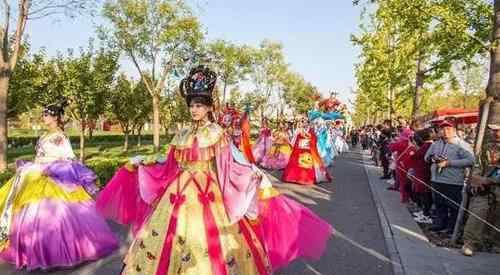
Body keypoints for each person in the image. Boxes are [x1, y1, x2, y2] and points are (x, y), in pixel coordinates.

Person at [97, 66, 332, 275]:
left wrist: (253, 174)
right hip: (177, 193)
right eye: (191, 105)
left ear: (209, 107)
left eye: (199, 105)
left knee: (211, 245)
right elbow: (168, 163)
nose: (194, 110)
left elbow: (230, 164)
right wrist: (144, 161)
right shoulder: (182, 134)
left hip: (208, 194)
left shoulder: (217, 134)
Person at [0, 103, 119, 271]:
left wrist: (53, 168)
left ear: (55, 117)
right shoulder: (45, 135)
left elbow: (69, 157)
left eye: (47, 115)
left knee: (53, 214)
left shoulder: (60, 136)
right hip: (35, 173)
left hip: (52, 175)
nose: (44, 117)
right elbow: (39, 155)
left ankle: (52, 252)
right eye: (43, 115)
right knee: (28, 212)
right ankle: (30, 250)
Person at [425, 120, 474, 234]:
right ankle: (440, 224)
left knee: (453, 206)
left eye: (448, 129)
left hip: (453, 181)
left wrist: (449, 163)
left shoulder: (462, 145)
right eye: (443, 129)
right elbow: (426, 157)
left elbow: (471, 161)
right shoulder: (436, 144)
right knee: (439, 203)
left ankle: (452, 228)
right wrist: (433, 158)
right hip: (436, 179)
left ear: (454, 131)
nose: (445, 132)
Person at [462, 124, 500, 256]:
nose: (495, 133)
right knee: (478, 212)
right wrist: (477, 178)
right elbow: (477, 167)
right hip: (485, 189)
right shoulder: (486, 149)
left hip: (495, 186)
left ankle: (495, 243)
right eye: (493, 130)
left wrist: (491, 180)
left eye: (498, 130)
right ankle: (470, 242)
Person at [282, 116, 331, 185]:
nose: (304, 124)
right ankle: (296, 177)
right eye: (303, 122)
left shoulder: (311, 130)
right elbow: (296, 139)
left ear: (308, 123)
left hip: (308, 150)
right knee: (298, 163)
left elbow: (314, 138)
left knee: (307, 164)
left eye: (305, 122)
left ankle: (307, 178)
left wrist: (307, 135)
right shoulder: (299, 130)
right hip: (300, 149)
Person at [408, 129, 434, 224]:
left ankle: (426, 214)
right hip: (422, 172)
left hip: (423, 173)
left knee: (425, 194)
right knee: (423, 194)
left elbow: (415, 156)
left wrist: (412, 152)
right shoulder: (428, 146)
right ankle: (424, 212)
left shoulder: (427, 146)